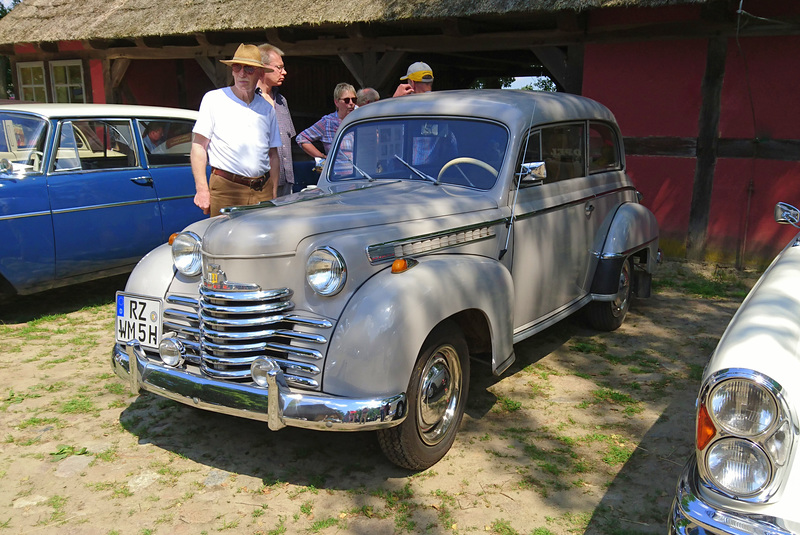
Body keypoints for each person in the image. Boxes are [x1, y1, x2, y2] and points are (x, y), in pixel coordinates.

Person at [191, 44, 281, 216]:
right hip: (227, 188)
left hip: (263, 188)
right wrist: (202, 190)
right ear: (232, 71)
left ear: (260, 74)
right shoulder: (214, 100)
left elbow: (273, 155)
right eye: (237, 67)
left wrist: (274, 192)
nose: (242, 73)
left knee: (262, 241)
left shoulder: (267, 108)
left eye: (248, 69)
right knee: (224, 240)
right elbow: (199, 147)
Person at [257, 44, 296, 198]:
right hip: (263, 184)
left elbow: (288, 139)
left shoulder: (281, 101)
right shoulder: (251, 102)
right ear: (263, 68)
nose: (284, 72)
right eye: (279, 67)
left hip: (286, 181)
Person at [296, 83, 356, 160]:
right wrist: (323, 157)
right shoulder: (328, 122)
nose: (351, 103)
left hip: (360, 170)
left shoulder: (359, 120)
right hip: (337, 171)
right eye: (347, 100)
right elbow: (301, 138)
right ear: (336, 102)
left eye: (354, 100)